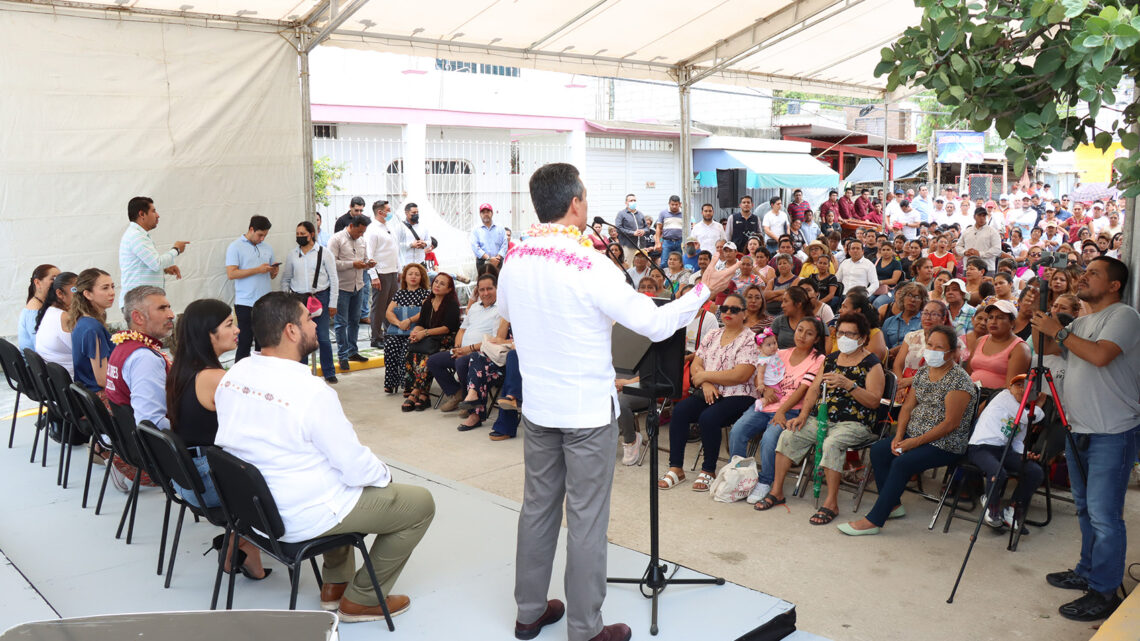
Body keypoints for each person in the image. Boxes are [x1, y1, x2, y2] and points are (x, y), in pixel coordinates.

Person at [498, 163, 733, 641]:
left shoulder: (515, 257)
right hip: (585, 411)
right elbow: (656, 324)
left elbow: (506, 312)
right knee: (585, 520)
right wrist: (705, 289)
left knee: (537, 509)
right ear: (576, 203)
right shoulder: (592, 265)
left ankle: (528, 612)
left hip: (539, 406)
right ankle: (585, 629)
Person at [214, 292, 435, 621]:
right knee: (419, 504)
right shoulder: (312, 393)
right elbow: (355, 466)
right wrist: (384, 476)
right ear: (291, 331)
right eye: (307, 319)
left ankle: (335, 585)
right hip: (298, 515)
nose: (315, 322)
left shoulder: (236, 373)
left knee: (336, 482)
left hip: (255, 512)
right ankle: (361, 599)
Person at [1029, 257, 1139, 620]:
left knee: (1105, 516)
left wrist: (1058, 331)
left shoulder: (1123, 316)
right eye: (1085, 271)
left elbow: (1100, 355)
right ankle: (1087, 570)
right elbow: (1046, 351)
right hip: (1080, 431)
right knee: (1085, 509)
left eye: (1094, 273)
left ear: (1113, 286)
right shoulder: (1080, 321)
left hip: (1112, 432)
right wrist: (1040, 318)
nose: (1084, 277)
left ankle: (1105, 592)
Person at [840, 325, 977, 535]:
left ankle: (874, 520)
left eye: (939, 347)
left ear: (952, 353)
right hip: (913, 435)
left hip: (944, 443)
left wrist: (914, 442)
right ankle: (892, 504)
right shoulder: (924, 372)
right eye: (930, 344)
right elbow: (908, 406)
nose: (932, 350)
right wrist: (901, 435)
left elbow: (951, 423)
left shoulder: (959, 381)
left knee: (903, 462)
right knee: (879, 450)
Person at [166, 298, 269, 579]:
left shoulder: (181, 369)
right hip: (209, 482)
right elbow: (255, 425)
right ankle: (243, 541)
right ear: (208, 334)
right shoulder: (215, 377)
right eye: (229, 324)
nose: (237, 330)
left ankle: (249, 556)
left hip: (187, 478)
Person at [755, 313, 885, 524]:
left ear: (862, 337)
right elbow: (814, 390)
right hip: (822, 417)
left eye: (850, 334)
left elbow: (874, 401)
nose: (844, 337)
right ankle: (777, 491)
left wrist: (849, 384)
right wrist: (804, 416)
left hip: (854, 423)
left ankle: (831, 503)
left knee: (831, 443)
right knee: (789, 434)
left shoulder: (872, 363)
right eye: (840, 332)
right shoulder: (832, 359)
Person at [659, 292, 758, 492]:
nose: (728, 312)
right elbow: (697, 364)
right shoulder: (713, 334)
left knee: (708, 418)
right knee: (680, 411)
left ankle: (709, 470)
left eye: (734, 309)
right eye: (724, 309)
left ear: (744, 314)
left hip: (738, 394)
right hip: (709, 390)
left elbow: (741, 374)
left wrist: (706, 377)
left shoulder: (750, 339)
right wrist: (706, 383)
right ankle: (676, 467)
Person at [967, 373, 1046, 530]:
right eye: (1018, 385)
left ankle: (1012, 510)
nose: (1021, 389)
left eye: (1027, 387)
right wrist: (1040, 404)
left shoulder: (1025, 412)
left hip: (1004, 450)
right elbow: (1025, 418)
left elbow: (1017, 441)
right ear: (1009, 387)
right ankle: (992, 508)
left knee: (1035, 471)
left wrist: (1025, 454)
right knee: (998, 472)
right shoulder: (1004, 397)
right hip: (981, 447)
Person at [105, 286, 174, 431]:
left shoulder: (124, 346)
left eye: (169, 307)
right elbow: (152, 422)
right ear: (138, 317)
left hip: (131, 439)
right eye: (162, 309)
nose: (171, 315)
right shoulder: (144, 358)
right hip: (156, 447)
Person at [429, 273, 501, 412]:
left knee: (461, 363)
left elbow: (495, 340)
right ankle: (457, 393)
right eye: (481, 290)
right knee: (433, 361)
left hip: (482, 353)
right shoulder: (474, 307)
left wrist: (468, 350)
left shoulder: (501, 309)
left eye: (489, 289)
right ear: (477, 291)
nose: (485, 293)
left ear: (497, 288)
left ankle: (470, 399)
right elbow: (461, 330)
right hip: (462, 351)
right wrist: (458, 348)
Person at [282, 221, 339, 383]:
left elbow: (334, 279)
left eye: (303, 234)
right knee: (301, 337)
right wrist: (287, 298)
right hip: (299, 299)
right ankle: (302, 372)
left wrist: (333, 303)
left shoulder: (324, 253)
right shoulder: (293, 254)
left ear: (312, 234)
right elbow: (286, 278)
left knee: (323, 336)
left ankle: (329, 371)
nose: (299, 237)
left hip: (320, 297)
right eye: (297, 234)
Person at [402, 272, 460, 412]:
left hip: (446, 340)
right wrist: (416, 332)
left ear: (449, 289)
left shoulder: (451, 304)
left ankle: (417, 391)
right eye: (436, 282)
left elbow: (447, 328)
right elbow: (421, 322)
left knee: (427, 356)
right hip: (429, 339)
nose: (437, 285)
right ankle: (423, 394)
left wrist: (425, 333)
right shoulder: (428, 302)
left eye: (442, 284)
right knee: (411, 350)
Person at [118, 196, 188, 309]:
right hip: (138, 304)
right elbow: (156, 263)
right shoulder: (136, 236)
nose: (158, 215)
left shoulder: (138, 235)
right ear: (142, 214)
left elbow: (146, 265)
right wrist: (176, 250)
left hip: (141, 302)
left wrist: (164, 269)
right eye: (153, 211)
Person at [225, 216, 277, 361]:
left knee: (264, 342)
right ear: (251, 229)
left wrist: (273, 271)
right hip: (245, 302)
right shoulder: (235, 247)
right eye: (260, 235)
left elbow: (271, 275)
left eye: (265, 236)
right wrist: (257, 270)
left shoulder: (267, 248)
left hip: (265, 302)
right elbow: (231, 273)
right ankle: (240, 378)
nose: (262, 239)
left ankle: (261, 376)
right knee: (245, 341)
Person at [329, 215, 374, 370]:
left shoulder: (362, 241)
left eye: (363, 232)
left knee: (355, 320)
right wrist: (352, 264)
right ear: (352, 225)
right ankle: (342, 355)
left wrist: (369, 264)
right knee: (341, 322)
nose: (360, 235)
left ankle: (353, 351)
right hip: (342, 287)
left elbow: (365, 260)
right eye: (359, 231)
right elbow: (332, 263)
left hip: (358, 285)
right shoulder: (336, 239)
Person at [382, 264, 430, 394]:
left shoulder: (425, 294)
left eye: (417, 274)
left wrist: (409, 320)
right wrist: (399, 323)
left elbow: (425, 312)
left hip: (416, 332)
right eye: (410, 274)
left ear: (422, 277)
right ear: (405, 277)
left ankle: (408, 384)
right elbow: (388, 312)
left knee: (406, 349)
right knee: (390, 345)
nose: (413, 277)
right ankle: (391, 382)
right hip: (399, 331)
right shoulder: (399, 293)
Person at [66, 268, 115, 397]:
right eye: (105, 288)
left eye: (112, 287)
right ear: (88, 294)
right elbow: (102, 379)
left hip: (86, 395)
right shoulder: (92, 328)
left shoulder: (83, 320)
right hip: (97, 398)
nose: (112, 292)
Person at [966, 300, 1030, 397]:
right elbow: (968, 373)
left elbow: (1011, 387)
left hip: (996, 400)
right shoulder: (980, 341)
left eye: (1000, 318)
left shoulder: (1020, 348)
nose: (993, 322)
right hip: (970, 394)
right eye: (990, 317)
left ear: (1012, 323)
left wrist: (984, 403)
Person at [365, 200, 399, 339]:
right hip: (380, 272)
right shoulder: (372, 229)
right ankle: (376, 336)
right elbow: (368, 254)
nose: (390, 213)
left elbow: (395, 250)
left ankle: (389, 333)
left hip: (392, 271)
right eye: (388, 210)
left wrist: (399, 269)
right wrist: (373, 275)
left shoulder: (388, 227)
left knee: (391, 305)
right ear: (380, 212)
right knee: (379, 307)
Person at [34, 272, 77, 376]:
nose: (81, 294)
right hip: (71, 382)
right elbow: (86, 353)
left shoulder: (50, 310)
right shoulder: (65, 317)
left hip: (55, 380)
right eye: (74, 290)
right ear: (59, 293)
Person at [19, 264, 58, 351]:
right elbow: (40, 346)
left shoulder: (42, 305)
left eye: (59, 279)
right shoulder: (34, 311)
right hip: (35, 363)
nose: (59, 283)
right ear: (37, 282)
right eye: (53, 279)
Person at [882, 282, 926, 352]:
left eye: (917, 297)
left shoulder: (925, 321)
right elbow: (884, 348)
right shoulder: (889, 322)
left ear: (922, 301)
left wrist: (899, 350)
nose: (912, 300)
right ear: (903, 297)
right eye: (909, 295)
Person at [958, 206, 1002, 273]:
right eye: (979, 215)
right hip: (968, 267)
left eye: (984, 216)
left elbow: (997, 249)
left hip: (987, 268)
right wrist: (964, 252)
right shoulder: (967, 231)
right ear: (974, 217)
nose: (982, 218)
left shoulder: (993, 231)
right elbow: (958, 246)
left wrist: (980, 254)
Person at [471, 203, 508, 274]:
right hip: (482, 262)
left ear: (492, 213)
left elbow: (504, 244)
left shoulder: (500, 228)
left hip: (498, 261)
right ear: (480, 214)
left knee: (498, 283)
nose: (486, 214)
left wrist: (497, 258)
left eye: (488, 212)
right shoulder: (475, 229)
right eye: (483, 212)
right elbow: (475, 247)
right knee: (484, 283)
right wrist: (489, 259)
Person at [394, 202, 431, 267]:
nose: (416, 214)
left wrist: (424, 244)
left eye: (417, 212)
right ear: (406, 213)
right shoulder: (400, 227)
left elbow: (429, 241)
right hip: (405, 264)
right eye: (413, 213)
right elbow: (395, 244)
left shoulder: (423, 227)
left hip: (420, 263)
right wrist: (411, 245)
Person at [654, 195, 685, 268]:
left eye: (676, 204)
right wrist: (658, 242)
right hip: (667, 242)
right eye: (672, 204)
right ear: (669, 204)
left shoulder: (684, 213)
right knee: (664, 262)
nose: (674, 206)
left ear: (679, 204)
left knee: (679, 262)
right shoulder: (663, 213)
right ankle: (663, 278)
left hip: (680, 242)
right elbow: (659, 228)